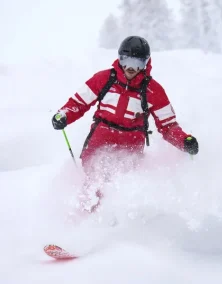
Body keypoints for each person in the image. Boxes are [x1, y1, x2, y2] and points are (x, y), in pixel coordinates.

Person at [52, 36, 199, 212]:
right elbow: (79, 103)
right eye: (126, 60)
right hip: (99, 140)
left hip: (130, 146)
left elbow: (168, 126)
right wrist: (64, 116)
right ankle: (82, 219)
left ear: (145, 64)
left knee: (121, 187)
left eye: (137, 63)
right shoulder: (104, 79)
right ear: (120, 59)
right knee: (92, 182)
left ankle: (118, 225)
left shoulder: (153, 90)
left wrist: (184, 141)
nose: (130, 68)